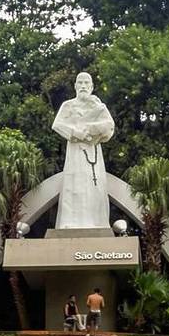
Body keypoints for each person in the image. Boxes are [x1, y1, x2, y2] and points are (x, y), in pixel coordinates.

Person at [51, 72, 115, 230]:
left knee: (94, 185)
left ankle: (96, 221)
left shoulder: (99, 107)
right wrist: (76, 132)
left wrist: (92, 129)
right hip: (75, 151)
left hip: (93, 150)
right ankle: (71, 222)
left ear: (92, 87)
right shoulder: (68, 105)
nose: (83, 86)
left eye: (87, 83)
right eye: (80, 83)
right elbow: (57, 125)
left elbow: (109, 126)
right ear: (75, 86)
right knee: (74, 185)